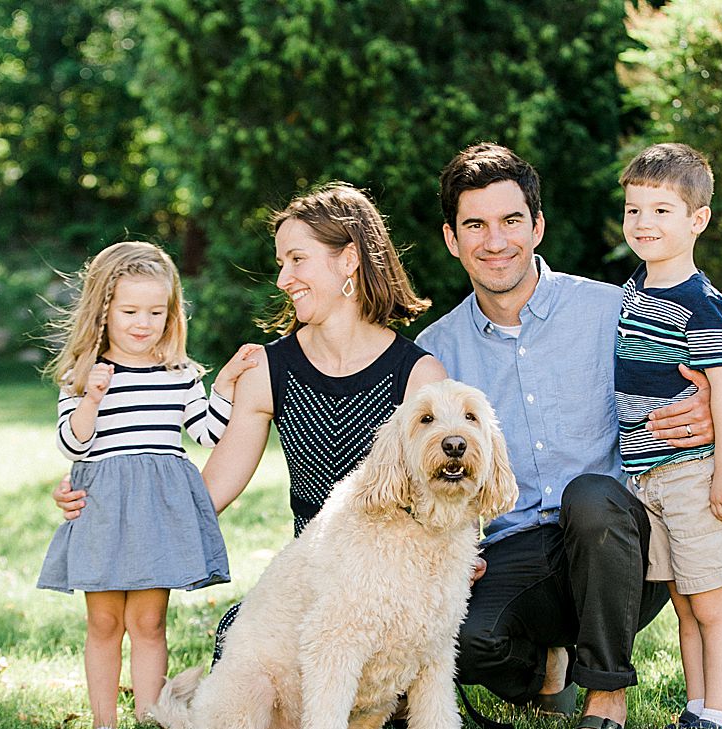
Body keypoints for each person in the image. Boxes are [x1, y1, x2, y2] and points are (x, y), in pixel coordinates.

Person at [53, 184, 448, 665]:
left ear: (349, 260)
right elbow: (205, 495)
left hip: (395, 584)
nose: (283, 279)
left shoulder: (419, 376)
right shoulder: (268, 368)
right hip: (313, 577)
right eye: (282, 262)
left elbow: (446, 503)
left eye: (297, 259)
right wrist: (101, 500)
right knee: (235, 641)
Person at [415, 143, 716, 729]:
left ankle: (605, 697)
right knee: (470, 646)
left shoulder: (617, 310)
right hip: (519, 546)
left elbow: (712, 375)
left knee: (591, 496)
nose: (495, 241)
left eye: (511, 221)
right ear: (452, 239)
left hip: (623, 545)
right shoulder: (437, 353)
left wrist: (711, 412)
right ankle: (549, 671)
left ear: (537, 226)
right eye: (475, 225)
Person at [37, 240, 256, 729]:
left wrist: (222, 386)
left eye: (156, 311)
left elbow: (205, 432)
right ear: (104, 311)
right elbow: (72, 442)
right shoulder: (82, 376)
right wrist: (92, 396)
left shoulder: (178, 375)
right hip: (103, 510)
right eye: (130, 310)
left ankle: (151, 718)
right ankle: (104, 723)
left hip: (157, 514)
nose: (143, 322)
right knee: (104, 623)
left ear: (171, 312)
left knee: (150, 623)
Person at [616, 143, 722, 729]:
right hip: (648, 480)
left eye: (662, 211)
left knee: (713, 603)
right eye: (634, 210)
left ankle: (720, 714)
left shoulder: (701, 303)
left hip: (693, 474)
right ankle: (696, 709)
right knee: (685, 605)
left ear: (698, 220)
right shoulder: (631, 293)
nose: (644, 223)